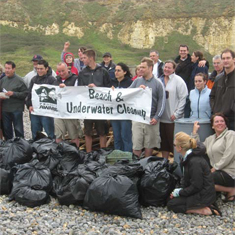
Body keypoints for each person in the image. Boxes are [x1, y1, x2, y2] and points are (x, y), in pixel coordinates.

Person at [167, 132, 220, 216]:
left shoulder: (194, 161)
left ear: (180, 148)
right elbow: (186, 180)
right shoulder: (187, 158)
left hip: (203, 194)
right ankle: (200, 206)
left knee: (172, 205)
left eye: (174, 145)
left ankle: (205, 210)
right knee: (170, 200)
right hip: (199, 191)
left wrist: (180, 192)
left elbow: (197, 186)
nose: (174, 146)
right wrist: (177, 191)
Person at [192, 113, 235, 203]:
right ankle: (223, 191)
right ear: (212, 126)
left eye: (222, 121)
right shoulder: (210, 139)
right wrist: (195, 132)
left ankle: (231, 190)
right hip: (218, 171)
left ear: (225, 124)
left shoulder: (230, 134)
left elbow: (229, 154)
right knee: (198, 178)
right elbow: (198, 148)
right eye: (217, 121)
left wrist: (215, 168)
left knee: (203, 180)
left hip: (230, 172)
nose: (220, 123)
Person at [129, 57, 165, 157]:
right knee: (136, 144)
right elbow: (127, 94)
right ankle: (136, 165)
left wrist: (157, 117)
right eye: (140, 67)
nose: (140, 69)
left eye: (143, 67)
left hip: (151, 119)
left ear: (150, 68)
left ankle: (146, 166)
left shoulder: (158, 83)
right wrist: (137, 90)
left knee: (149, 145)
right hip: (138, 118)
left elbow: (161, 102)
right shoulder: (137, 81)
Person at [78, 49, 111, 152]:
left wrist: (97, 88)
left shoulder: (103, 71)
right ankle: (88, 153)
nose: (83, 60)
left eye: (85, 58)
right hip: (88, 107)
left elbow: (108, 88)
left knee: (102, 132)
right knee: (87, 132)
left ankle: (102, 153)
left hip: (100, 107)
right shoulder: (82, 72)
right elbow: (79, 89)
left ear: (91, 58)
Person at [159, 60, 188, 159]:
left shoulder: (178, 80)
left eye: (169, 67)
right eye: (165, 67)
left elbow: (183, 98)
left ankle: (177, 163)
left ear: (174, 69)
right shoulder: (160, 79)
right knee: (164, 144)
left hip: (173, 118)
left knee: (175, 143)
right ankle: (165, 163)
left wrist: (177, 113)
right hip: (162, 117)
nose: (166, 69)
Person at [54, 62, 83, 147]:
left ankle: (75, 153)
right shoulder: (56, 80)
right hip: (59, 112)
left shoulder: (75, 79)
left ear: (68, 69)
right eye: (59, 71)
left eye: (63, 71)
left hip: (71, 112)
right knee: (58, 135)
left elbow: (78, 92)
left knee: (74, 135)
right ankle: (60, 154)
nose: (61, 73)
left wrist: (66, 88)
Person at [26, 60, 56, 139]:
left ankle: (50, 148)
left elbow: (55, 96)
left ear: (47, 68)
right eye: (38, 69)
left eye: (41, 69)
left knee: (49, 133)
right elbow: (29, 94)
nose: (39, 70)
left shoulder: (52, 80)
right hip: (35, 111)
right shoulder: (34, 80)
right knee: (35, 132)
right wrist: (29, 105)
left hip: (47, 111)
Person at [0, 61, 28, 140]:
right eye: (6, 68)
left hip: (16, 109)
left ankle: (20, 146)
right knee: (7, 130)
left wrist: (14, 94)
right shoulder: (3, 80)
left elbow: (25, 94)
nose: (7, 70)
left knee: (18, 130)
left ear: (14, 69)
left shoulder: (19, 80)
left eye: (9, 68)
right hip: (5, 109)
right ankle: (9, 148)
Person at [210, 49, 235, 130]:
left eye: (228, 58)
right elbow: (212, 96)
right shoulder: (218, 78)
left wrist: (231, 109)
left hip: (232, 120)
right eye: (223, 58)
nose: (225, 60)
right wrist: (215, 109)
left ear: (234, 59)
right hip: (219, 120)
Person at [110, 62, 133, 152]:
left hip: (125, 114)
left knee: (125, 136)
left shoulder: (130, 83)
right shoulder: (112, 82)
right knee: (116, 136)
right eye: (115, 70)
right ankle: (117, 156)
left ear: (124, 72)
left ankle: (127, 156)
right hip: (115, 114)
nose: (116, 72)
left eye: (119, 71)